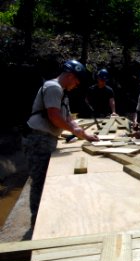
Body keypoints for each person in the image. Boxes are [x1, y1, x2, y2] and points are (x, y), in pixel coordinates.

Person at [22, 59, 99, 225]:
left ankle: (42, 218)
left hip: (46, 138)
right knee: (40, 180)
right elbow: (54, 116)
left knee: (45, 179)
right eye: (77, 80)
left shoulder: (63, 94)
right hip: (38, 138)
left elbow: (69, 119)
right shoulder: (53, 87)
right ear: (70, 76)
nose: (77, 85)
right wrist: (73, 131)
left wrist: (85, 135)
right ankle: (37, 222)